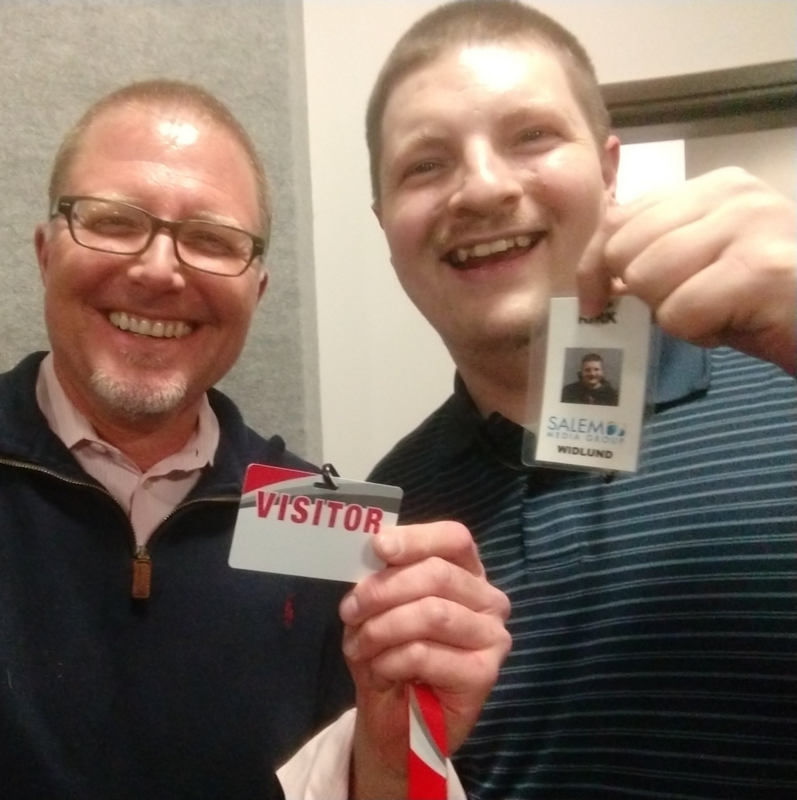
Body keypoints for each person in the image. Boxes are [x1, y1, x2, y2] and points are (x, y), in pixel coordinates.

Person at [0, 78, 511, 800]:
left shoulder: (326, 527)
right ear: (47, 251)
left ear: (257, 292)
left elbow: (387, 783)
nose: (157, 270)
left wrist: (403, 757)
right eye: (113, 221)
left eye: (212, 240)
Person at [365, 2, 797, 798]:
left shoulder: (783, 374)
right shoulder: (393, 516)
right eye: (423, 165)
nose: (482, 187)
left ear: (606, 168)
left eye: (529, 136)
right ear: (385, 224)